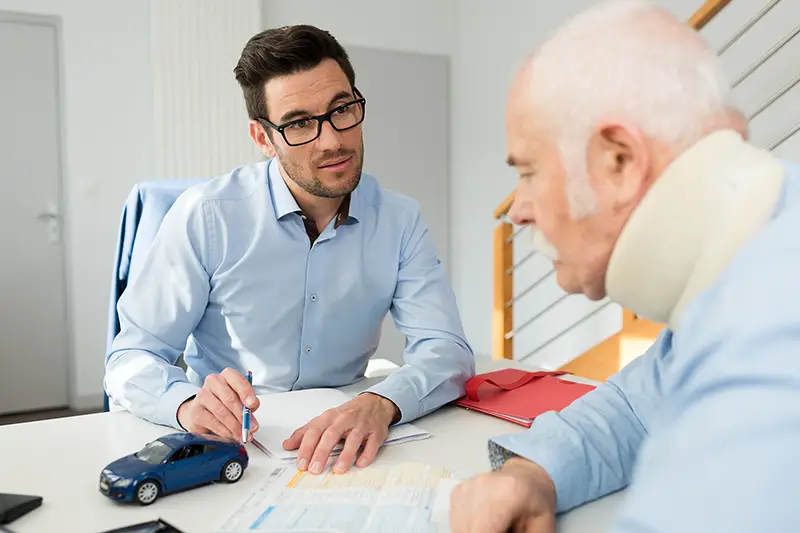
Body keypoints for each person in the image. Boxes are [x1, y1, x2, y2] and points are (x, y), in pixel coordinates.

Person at [450, 1, 800, 532]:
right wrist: (533, 475)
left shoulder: (774, 337)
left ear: (620, 161)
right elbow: (638, 407)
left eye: (529, 171)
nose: (517, 209)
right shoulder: (748, 266)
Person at [105, 24, 474, 475]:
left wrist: (381, 401)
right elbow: (131, 356)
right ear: (263, 139)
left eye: (342, 110)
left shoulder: (400, 220)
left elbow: (447, 350)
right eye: (300, 123)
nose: (333, 140)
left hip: (350, 443)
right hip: (233, 443)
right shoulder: (206, 215)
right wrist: (184, 403)